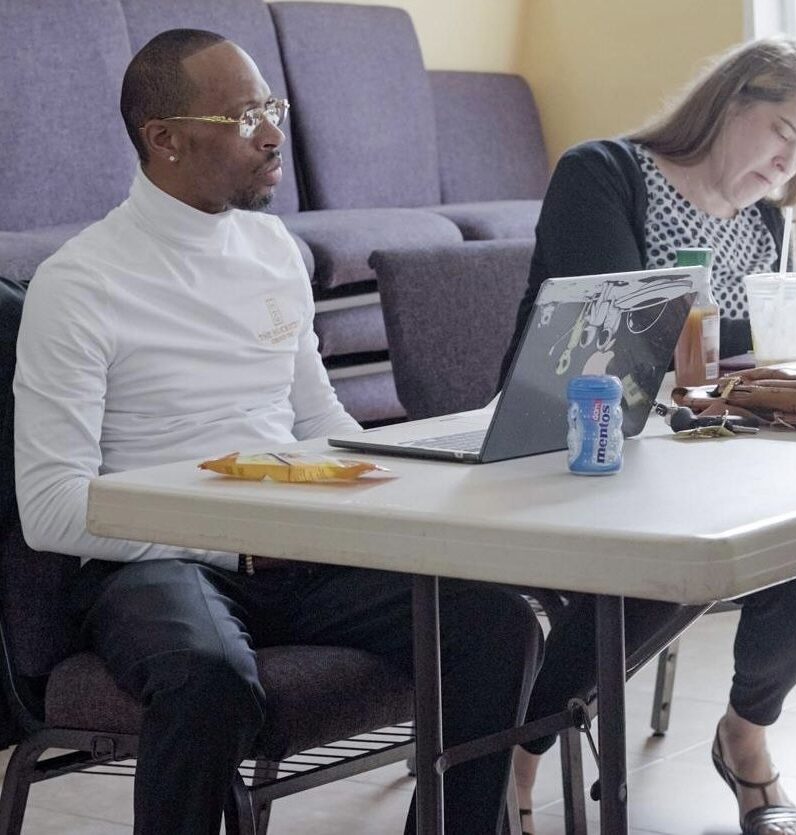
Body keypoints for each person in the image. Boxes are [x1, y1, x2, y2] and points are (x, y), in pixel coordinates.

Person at [13, 30, 543, 835]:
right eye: (243, 115)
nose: (273, 133)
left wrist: (405, 475)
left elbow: (319, 422)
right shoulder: (80, 283)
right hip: (157, 563)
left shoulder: (270, 248)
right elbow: (50, 506)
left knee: (495, 620)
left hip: (295, 549)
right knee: (205, 677)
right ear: (164, 139)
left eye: (273, 107)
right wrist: (241, 537)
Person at [501, 37, 796, 835]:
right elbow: (612, 343)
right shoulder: (604, 174)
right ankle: (517, 747)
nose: (786, 167)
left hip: (705, 454)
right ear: (729, 102)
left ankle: (744, 731)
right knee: (682, 545)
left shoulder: (761, 222)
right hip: (583, 443)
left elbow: (744, 356)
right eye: (781, 137)